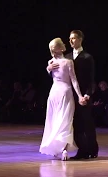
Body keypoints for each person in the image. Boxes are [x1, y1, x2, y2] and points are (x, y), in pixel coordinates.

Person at [47, 30, 99, 160]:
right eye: (69, 38)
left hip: (82, 95)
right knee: (74, 124)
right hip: (69, 95)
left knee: (87, 123)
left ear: (80, 39)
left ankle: (93, 150)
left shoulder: (87, 57)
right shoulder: (67, 57)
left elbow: (91, 79)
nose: (70, 41)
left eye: (74, 38)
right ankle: (82, 150)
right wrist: (49, 70)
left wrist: (87, 95)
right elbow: (57, 71)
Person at [39, 38, 85, 161]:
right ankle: (62, 149)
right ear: (59, 48)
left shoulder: (51, 62)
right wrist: (80, 95)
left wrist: (48, 69)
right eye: (62, 44)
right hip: (64, 92)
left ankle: (60, 148)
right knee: (65, 121)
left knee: (57, 120)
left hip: (54, 92)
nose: (65, 44)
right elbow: (74, 80)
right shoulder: (68, 62)